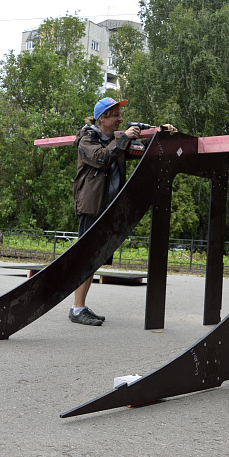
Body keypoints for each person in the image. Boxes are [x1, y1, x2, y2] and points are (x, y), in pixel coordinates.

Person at [69, 96, 174, 326]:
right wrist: (125, 138)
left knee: (94, 260)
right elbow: (101, 158)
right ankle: (77, 309)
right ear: (102, 118)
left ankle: (80, 307)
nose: (120, 119)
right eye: (116, 115)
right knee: (85, 258)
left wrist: (161, 132)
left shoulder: (116, 140)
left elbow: (139, 150)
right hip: (92, 207)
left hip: (108, 208)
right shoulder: (87, 137)